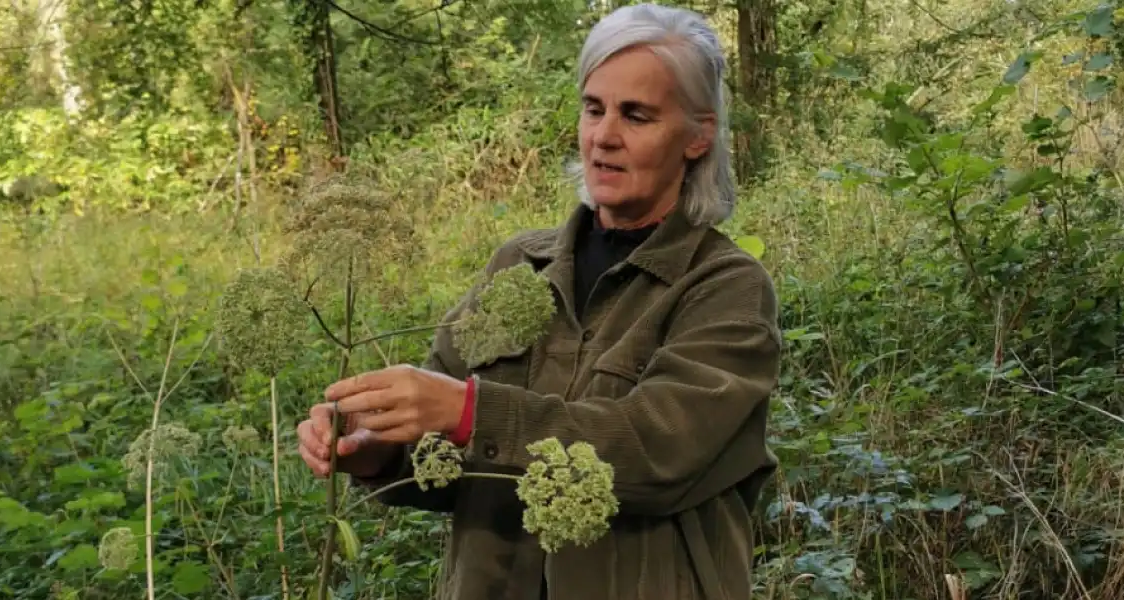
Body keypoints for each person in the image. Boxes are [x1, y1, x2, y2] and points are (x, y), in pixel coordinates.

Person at [296, 4, 781, 599]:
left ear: (698, 135)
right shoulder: (519, 266)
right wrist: (373, 452)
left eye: (637, 114)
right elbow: (442, 455)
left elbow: (656, 452)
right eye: (593, 107)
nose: (604, 135)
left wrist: (470, 412)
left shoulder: (725, 287)